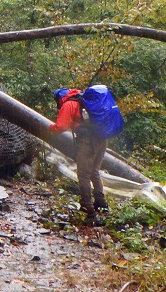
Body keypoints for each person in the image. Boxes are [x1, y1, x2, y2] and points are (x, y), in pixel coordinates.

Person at [50, 87, 109, 227]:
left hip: (88, 141)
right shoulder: (84, 100)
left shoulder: (69, 104)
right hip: (102, 139)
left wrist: (49, 128)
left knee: (83, 175)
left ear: (59, 98)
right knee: (94, 171)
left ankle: (89, 211)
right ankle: (101, 204)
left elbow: (60, 127)